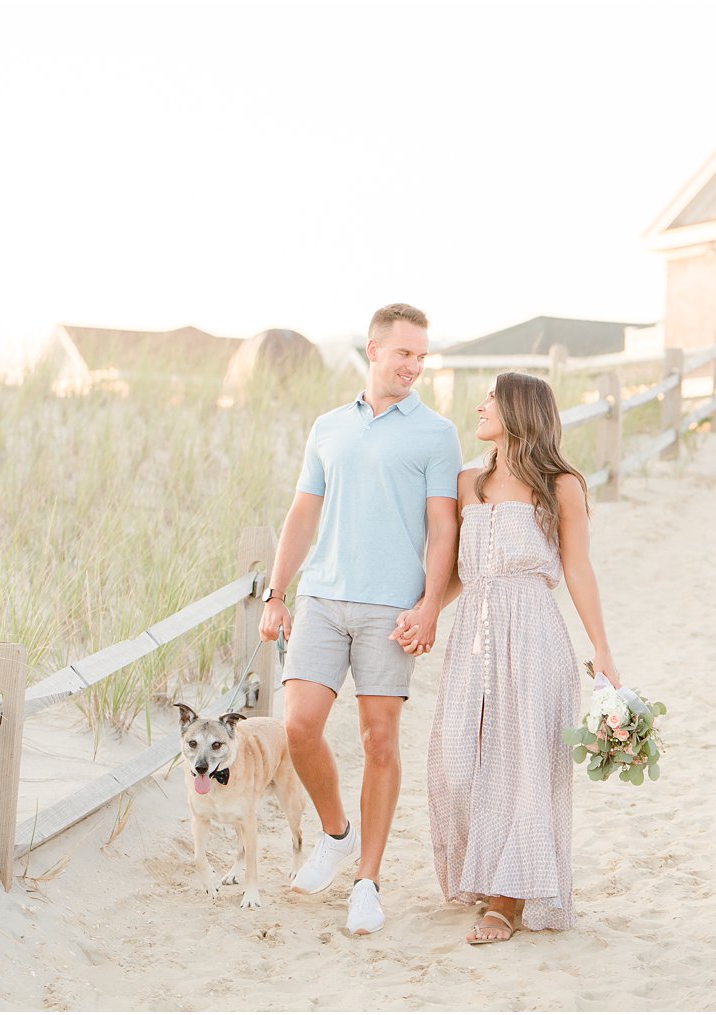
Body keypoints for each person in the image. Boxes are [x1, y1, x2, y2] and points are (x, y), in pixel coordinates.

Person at [394, 370, 621, 944]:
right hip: (475, 634)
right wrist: (427, 611)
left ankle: (506, 901)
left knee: (521, 766)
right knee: (457, 761)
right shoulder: (468, 481)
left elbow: (577, 569)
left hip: (535, 636)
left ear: (518, 409)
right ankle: (482, 875)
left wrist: (603, 651)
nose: (480, 407)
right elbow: (457, 573)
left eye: (491, 399)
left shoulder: (561, 485)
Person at [258, 302, 463, 935]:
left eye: (423, 356)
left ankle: (367, 881)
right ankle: (336, 832)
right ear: (373, 350)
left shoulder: (436, 433)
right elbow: (301, 516)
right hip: (321, 597)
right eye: (405, 353)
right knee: (299, 726)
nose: (415, 366)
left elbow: (442, 528)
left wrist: (429, 605)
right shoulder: (327, 427)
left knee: (379, 739)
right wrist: (276, 591)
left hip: (390, 608)